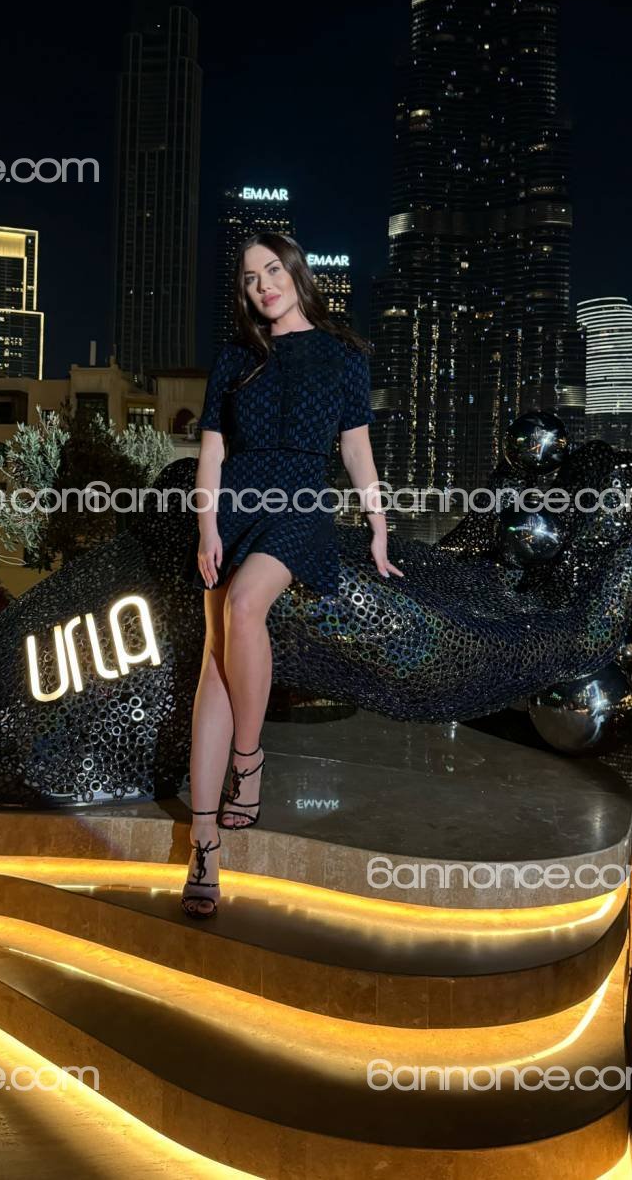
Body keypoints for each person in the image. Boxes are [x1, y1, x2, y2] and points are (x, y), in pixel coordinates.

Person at [180, 232, 403, 918]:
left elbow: (356, 448)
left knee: (244, 607)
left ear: (297, 273)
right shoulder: (234, 358)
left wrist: (378, 522)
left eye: (272, 270)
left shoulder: (342, 355)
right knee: (214, 661)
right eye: (250, 278)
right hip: (235, 504)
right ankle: (204, 845)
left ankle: (249, 762)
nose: (263, 286)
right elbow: (211, 454)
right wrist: (207, 528)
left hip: (301, 504)